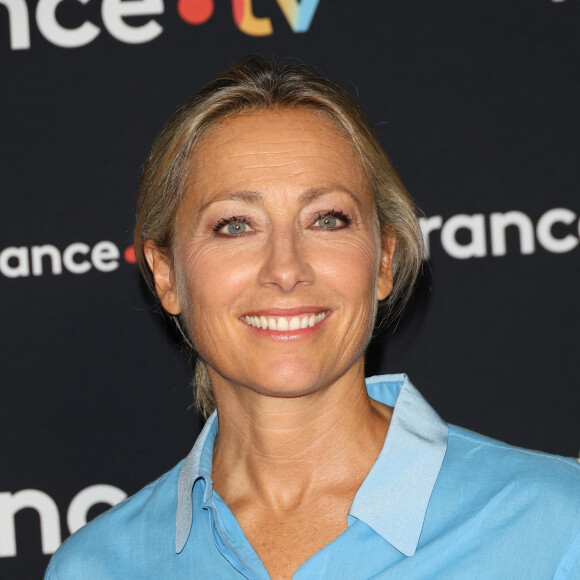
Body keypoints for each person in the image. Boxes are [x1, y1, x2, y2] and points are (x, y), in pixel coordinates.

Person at [45, 56, 580, 579]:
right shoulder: (98, 566)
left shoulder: (558, 525)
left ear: (383, 261)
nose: (285, 269)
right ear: (165, 275)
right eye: (235, 225)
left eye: (326, 219)